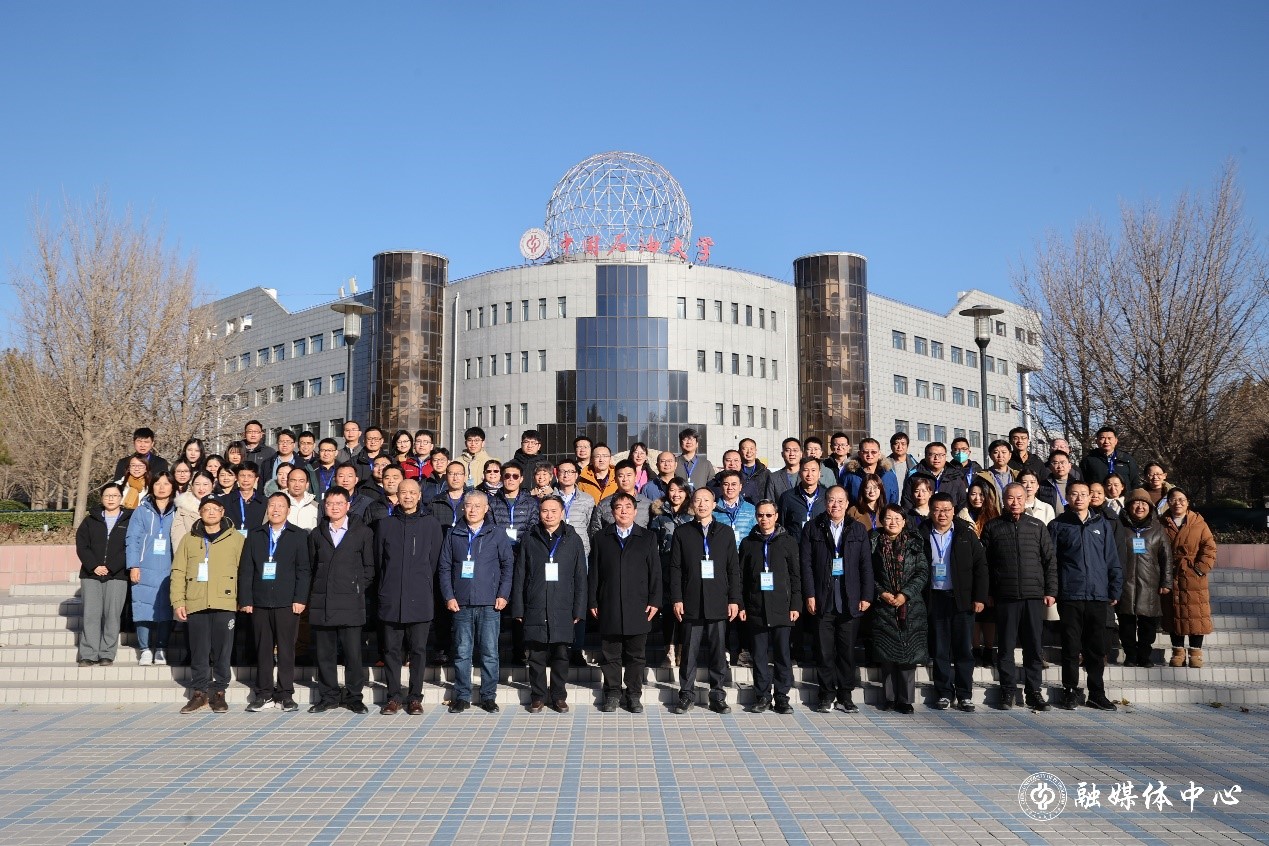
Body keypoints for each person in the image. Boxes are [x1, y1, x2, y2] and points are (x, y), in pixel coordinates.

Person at [981, 483, 1057, 711]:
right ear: (1004, 500)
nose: (1015, 503)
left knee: (1033, 646)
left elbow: (1050, 561)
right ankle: (1008, 690)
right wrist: (988, 592)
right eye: (1010, 498)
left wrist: (1051, 590)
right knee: (1005, 647)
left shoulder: (1037, 526)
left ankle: (1034, 691)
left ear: (1026, 500)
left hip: (1033, 596)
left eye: (1019, 498)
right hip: (1005, 597)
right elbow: (984, 564)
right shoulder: (993, 527)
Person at [1048, 481, 1122, 711]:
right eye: (1074, 494)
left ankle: (1096, 693)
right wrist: (1052, 590)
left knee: (1096, 648)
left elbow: (1112, 559)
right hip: (1070, 593)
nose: (1079, 498)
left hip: (1098, 595)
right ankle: (1069, 690)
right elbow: (1051, 562)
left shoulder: (1102, 524)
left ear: (1091, 497)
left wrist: (1114, 588)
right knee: (1070, 646)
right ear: (1067, 498)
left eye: (1083, 494)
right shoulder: (1058, 525)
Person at [439, 490, 514, 713]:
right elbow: (444, 567)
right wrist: (448, 595)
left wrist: (503, 594)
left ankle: (488, 696)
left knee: (490, 651)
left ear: (486, 509)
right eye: (468, 505)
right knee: (463, 651)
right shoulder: (454, 534)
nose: (472, 510)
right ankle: (462, 695)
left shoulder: (497, 533)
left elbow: (508, 566)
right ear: (463, 507)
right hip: (461, 602)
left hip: (490, 603)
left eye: (477, 506)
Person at [512, 496, 588, 713]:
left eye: (553, 511)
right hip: (535, 604)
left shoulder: (572, 539)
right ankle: (537, 696)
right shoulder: (530, 538)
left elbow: (580, 576)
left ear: (562, 512)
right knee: (535, 656)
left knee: (561, 655)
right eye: (545, 511)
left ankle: (558, 696)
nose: (549, 515)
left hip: (563, 605)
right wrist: (518, 607)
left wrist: (579, 608)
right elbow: (520, 575)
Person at [801, 485, 873, 713]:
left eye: (840, 501)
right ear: (825, 502)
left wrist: (866, 595)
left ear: (847, 503)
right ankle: (826, 694)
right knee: (824, 651)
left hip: (849, 598)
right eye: (831, 500)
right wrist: (810, 594)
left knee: (846, 651)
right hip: (823, 598)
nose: (835, 505)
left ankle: (845, 694)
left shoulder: (858, 529)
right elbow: (807, 565)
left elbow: (866, 566)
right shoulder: (813, 527)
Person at [669, 487, 741, 715]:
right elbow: (675, 569)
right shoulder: (682, 533)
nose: (701, 504)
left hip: (718, 601)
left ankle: (717, 695)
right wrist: (677, 598)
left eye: (706, 500)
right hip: (691, 601)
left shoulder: (726, 532)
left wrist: (734, 599)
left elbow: (733, 570)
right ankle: (686, 695)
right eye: (697, 500)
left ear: (713, 504)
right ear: (692, 504)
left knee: (718, 653)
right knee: (688, 652)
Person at [374, 479, 443, 715]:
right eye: (404, 492)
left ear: (419, 495)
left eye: (413, 492)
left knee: (418, 650)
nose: (408, 496)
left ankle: (415, 697)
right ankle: (393, 696)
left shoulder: (431, 524)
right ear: (397, 495)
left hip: (420, 598)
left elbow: (434, 563)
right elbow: (378, 562)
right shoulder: (385, 524)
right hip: (391, 598)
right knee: (391, 651)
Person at [588, 492, 660, 713]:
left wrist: (655, 600)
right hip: (609, 604)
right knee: (610, 654)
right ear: (612, 512)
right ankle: (612, 693)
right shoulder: (601, 538)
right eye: (618, 507)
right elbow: (595, 573)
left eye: (628, 507)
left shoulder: (647, 537)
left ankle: (634, 694)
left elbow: (655, 572)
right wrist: (592, 600)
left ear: (635, 511)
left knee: (636, 655)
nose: (623, 511)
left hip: (638, 605)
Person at [238, 491, 310, 713]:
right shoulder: (255, 534)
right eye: (272, 506)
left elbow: (304, 570)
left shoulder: (298, 535)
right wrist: (246, 599)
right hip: (259, 601)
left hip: (287, 602)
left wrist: (300, 598)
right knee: (263, 649)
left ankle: (286, 693)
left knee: (287, 649)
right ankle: (264, 693)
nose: (275, 509)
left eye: (280, 506)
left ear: (288, 510)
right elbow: (246, 570)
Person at [172, 496, 244, 714]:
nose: (211, 512)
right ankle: (200, 693)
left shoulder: (236, 539)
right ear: (200, 513)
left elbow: (245, 572)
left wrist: (243, 600)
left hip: (225, 601)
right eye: (206, 509)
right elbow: (178, 572)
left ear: (223, 512)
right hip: (196, 601)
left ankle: (219, 692)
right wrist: (178, 601)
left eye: (215, 509)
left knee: (223, 651)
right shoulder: (189, 539)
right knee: (199, 650)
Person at [307, 487, 375, 713]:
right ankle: (328, 696)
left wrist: (355, 588)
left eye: (339, 503)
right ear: (324, 507)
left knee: (352, 654)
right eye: (330, 504)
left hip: (350, 603)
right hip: (323, 602)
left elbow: (369, 569)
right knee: (325, 654)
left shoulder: (362, 532)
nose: (334, 507)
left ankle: (354, 696)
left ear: (348, 505)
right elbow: (311, 567)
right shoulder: (317, 534)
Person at [922, 493, 987, 711]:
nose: (942, 514)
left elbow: (981, 567)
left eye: (947, 509)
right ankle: (943, 692)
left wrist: (979, 597)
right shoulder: (921, 533)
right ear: (931, 511)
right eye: (938, 510)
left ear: (953, 510)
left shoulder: (965, 533)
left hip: (962, 599)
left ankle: (965, 694)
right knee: (940, 649)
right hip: (935, 597)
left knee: (963, 649)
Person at [738, 499, 801, 714]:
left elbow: (795, 576)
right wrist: (742, 605)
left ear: (776, 517)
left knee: (783, 655)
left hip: (782, 607)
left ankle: (782, 697)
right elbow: (741, 578)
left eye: (768, 515)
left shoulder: (788, 542)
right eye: (760, 515)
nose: (764, 519)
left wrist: (795, 604)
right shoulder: (748, 543)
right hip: (756, 607)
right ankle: (762, 696)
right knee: (759, 656)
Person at [870, 504, 929, 714]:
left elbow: (922, 572)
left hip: (910, 605)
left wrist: (905, 594)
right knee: (887, 654)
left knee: (908, 654)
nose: (892, 522)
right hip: (884, 605)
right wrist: (882, 593)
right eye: (888, 518)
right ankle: (889, 697)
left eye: (897, 518)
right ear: (881, 520)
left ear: (904, 521)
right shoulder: (874, 542)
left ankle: (905, 699)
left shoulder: (915, 542)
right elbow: (869, 573)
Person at [76, 482, 132, 668]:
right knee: (91, 614)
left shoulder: (129, 519)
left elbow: (130, 546)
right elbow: (82, 546)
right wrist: (94, 566)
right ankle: (88, 653)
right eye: (107, 495)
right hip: (91, 575)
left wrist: (111, 567)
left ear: (120, 498)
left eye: (114, 496)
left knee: (112, 615)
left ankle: (107, 653)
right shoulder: (90, 519)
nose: (111, 499)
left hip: (117, 575)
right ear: (101, 498)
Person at [1116, 488, 1174, 668]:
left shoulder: (1158, 529)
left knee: (1148, 624)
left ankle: (1144, 655)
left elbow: (1167, 557)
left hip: (1150, 584)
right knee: (1126, 624)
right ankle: (1130, 656)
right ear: (1128, 506)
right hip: (1125, 584)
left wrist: (1166, 582)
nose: (1140, 507)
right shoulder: (1120, 528)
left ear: (1150, 507)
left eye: (1144, 503)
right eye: (1136, 503)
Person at [1162, 488, 1218, 668]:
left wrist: (1200, 569)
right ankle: (1177, 652)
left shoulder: (1199, 523)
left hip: (1193, 576)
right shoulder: (1161, 523)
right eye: (1173, 499)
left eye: (1181, 499)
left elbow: (1209, 548)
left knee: (1195, 615)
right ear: (1168, 502)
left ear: (1187, 502)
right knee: (1174, 613)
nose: (1177, 503)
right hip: (1171, 573)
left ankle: (1195, 652)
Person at [125, 472, 177, 665]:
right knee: (143, 607)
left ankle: (161, 648)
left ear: (172, 487)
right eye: (157, 483)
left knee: (165, 609)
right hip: (144, 566)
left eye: (166, 483)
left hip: (170, 567)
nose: (162, 487)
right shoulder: (142, 510)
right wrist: (133, 565)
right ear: (151, 486)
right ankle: (145, 648)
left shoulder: (178, 510)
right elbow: (133, 539)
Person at [649, 477, 692, 668]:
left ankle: (682, 650)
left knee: (685, 611)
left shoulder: (692, 516)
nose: (676, 494)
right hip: (665, 567)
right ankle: (669, 650)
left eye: (680, 491)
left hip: (687, 568)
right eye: (673, 490)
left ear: (687, 493)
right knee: (667, 610)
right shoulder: (659, 516)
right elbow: (653, 544)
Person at [902, 442, 968, 512]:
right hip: (921, 520)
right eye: (932, 454)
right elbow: (907, 504)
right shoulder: (915, 477)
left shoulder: (955, 477)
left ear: (945, 456)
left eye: (941, 455)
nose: (936, 458)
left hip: (948, 520)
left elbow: (963, 503)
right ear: (926, 456)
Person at [591, 460, 654, 532]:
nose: (625, 479)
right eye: (620, 476)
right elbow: (596, 533)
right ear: (615, 479)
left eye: (629, 475)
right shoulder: (604, 504)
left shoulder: (648, 505)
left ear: (636, 477)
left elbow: (653, 535)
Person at [778, 457, 827, 543]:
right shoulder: (787, 497)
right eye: (805, 470)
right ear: (800, 473)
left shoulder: (827, 496)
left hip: (820, 548)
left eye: (813, 470)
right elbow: (781, 525)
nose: (809, 474)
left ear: (819, 474)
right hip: (795, 548)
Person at [1080, 425, 1141, 490]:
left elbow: (1135, 483)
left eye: (1109, 438)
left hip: (1124, 498)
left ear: (1116, 441)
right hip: (1099, 498)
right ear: (1096, 441)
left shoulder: (1126, 459)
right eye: (1102, 438)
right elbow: (1083, 483)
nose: (1106, 441)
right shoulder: (1088, 461)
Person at [712, 470, 757, 548]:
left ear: (740, 487)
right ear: (721, 486)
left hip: (744, 554)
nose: (730, 488)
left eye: (734, 484)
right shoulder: (713, 509)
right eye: (726, 484)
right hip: (722, 553)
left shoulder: (751, 509)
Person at [219, 463, 266, 536]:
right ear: (237, 478)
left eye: (250, 476)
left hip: (256, 544)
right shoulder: (225, 500)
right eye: (242, 476)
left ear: (256, 479)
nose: (246, 480)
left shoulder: (265, 502)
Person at [849, 438, 900, 505]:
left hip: (883, 514)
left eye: (873, 452)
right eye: (866, 452)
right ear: (859, 454)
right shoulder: (850, 476)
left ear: (879, 454)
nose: (869, 455)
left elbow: (894, 500)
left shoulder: (889, 475)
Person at [173, 471, 215, 552]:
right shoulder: (183, 508)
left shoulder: (221, 506)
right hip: (192, 554)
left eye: (205, 484)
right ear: (192, 486)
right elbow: (177, 538)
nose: (201, 488)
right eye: (197, 484)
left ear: (213, 485)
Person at [976, 440, 1016, 507]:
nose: (1000, 455)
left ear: (1010, 455)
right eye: (996, 452)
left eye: (1004, 452)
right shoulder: (983, 477)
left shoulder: (1017, 475)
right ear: (990, 456)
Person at [737, 437, 776, 505]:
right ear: (739, 451)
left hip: (760, 511)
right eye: (745, 449)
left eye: (752, 448)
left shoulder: (766, 473)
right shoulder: (735, 472)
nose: (749, 452)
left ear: (756, 451)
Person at [1037, 451, 1076, 516]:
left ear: (1069, 466)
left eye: (1063, 462)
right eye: (1056, 463)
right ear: (1050, 467)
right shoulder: (1043, 485)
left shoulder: (1077, 485)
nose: (1060, 466)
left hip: (1072, 523)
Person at [676, 427, 714, 492]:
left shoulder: (706, 464)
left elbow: (712, 486)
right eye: (685, 439)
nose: (689, 442)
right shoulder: (674, 462)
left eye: (692, 439)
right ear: (680, 443)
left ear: (697, 444)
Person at [823, 432, 859, 500]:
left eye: (843, 445)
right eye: (836, 445)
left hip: (851, 501)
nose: (840, 447)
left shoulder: (856, 465)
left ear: (848, 447)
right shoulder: (825, 465)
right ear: (831, 447)